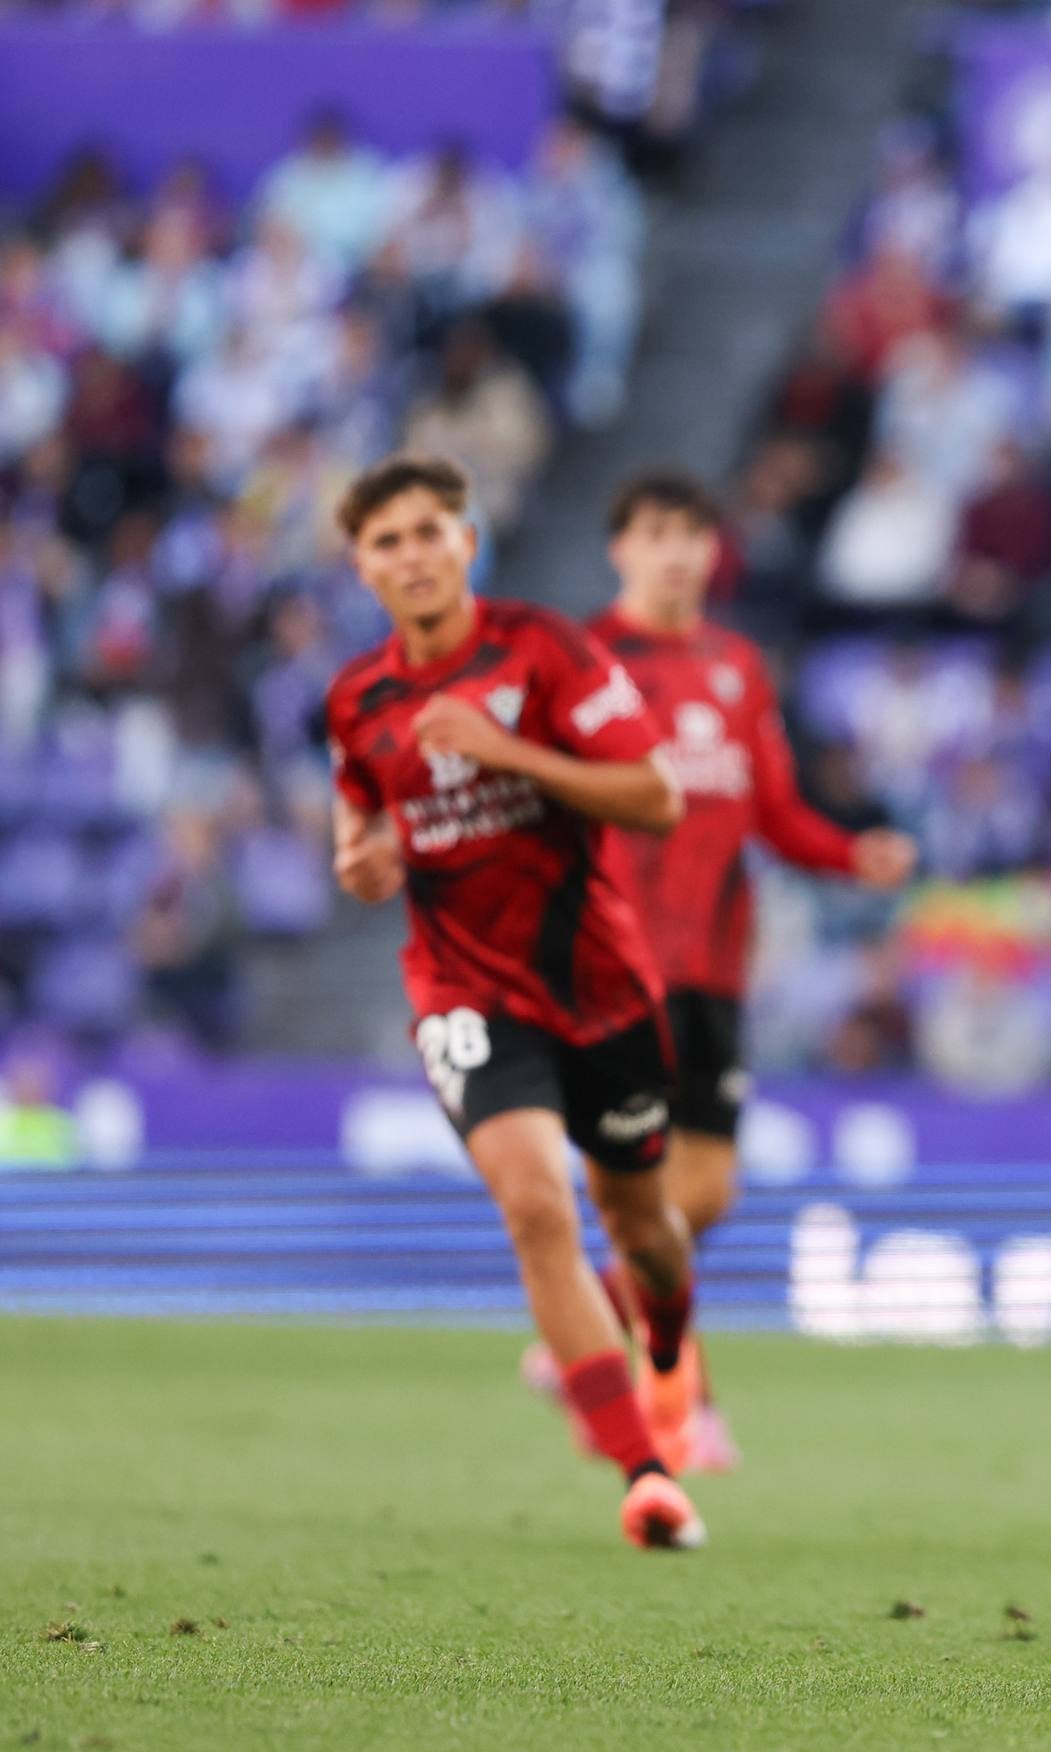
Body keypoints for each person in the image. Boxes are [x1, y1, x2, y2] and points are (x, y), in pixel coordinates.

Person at [323, 455, 705, 1552]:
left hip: (601, 986)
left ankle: (667, 1344)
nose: (412, 554)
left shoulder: (543, 650)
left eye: (430, 530)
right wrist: (361, 858)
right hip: (463, 990)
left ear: (467, 541)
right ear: (362, 565)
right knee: (536, 1205)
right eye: (387, 539)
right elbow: (360, 817)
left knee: (647, 1233)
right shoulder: (358, 699)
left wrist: (506, 751)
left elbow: (655, 795)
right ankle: (644, 1473)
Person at [540, 470, 918, 1463]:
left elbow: (773, 811)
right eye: (655, 533)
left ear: (712, 553)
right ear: (620, 548)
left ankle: (591, 1325)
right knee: (646, 1191)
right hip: (613, 963)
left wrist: (851, 853)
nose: (675, 552)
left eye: (692, 535)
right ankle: (678, 1410)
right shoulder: (582, 660)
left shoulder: (736, 666)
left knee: (705, 1196)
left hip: (713, 963)